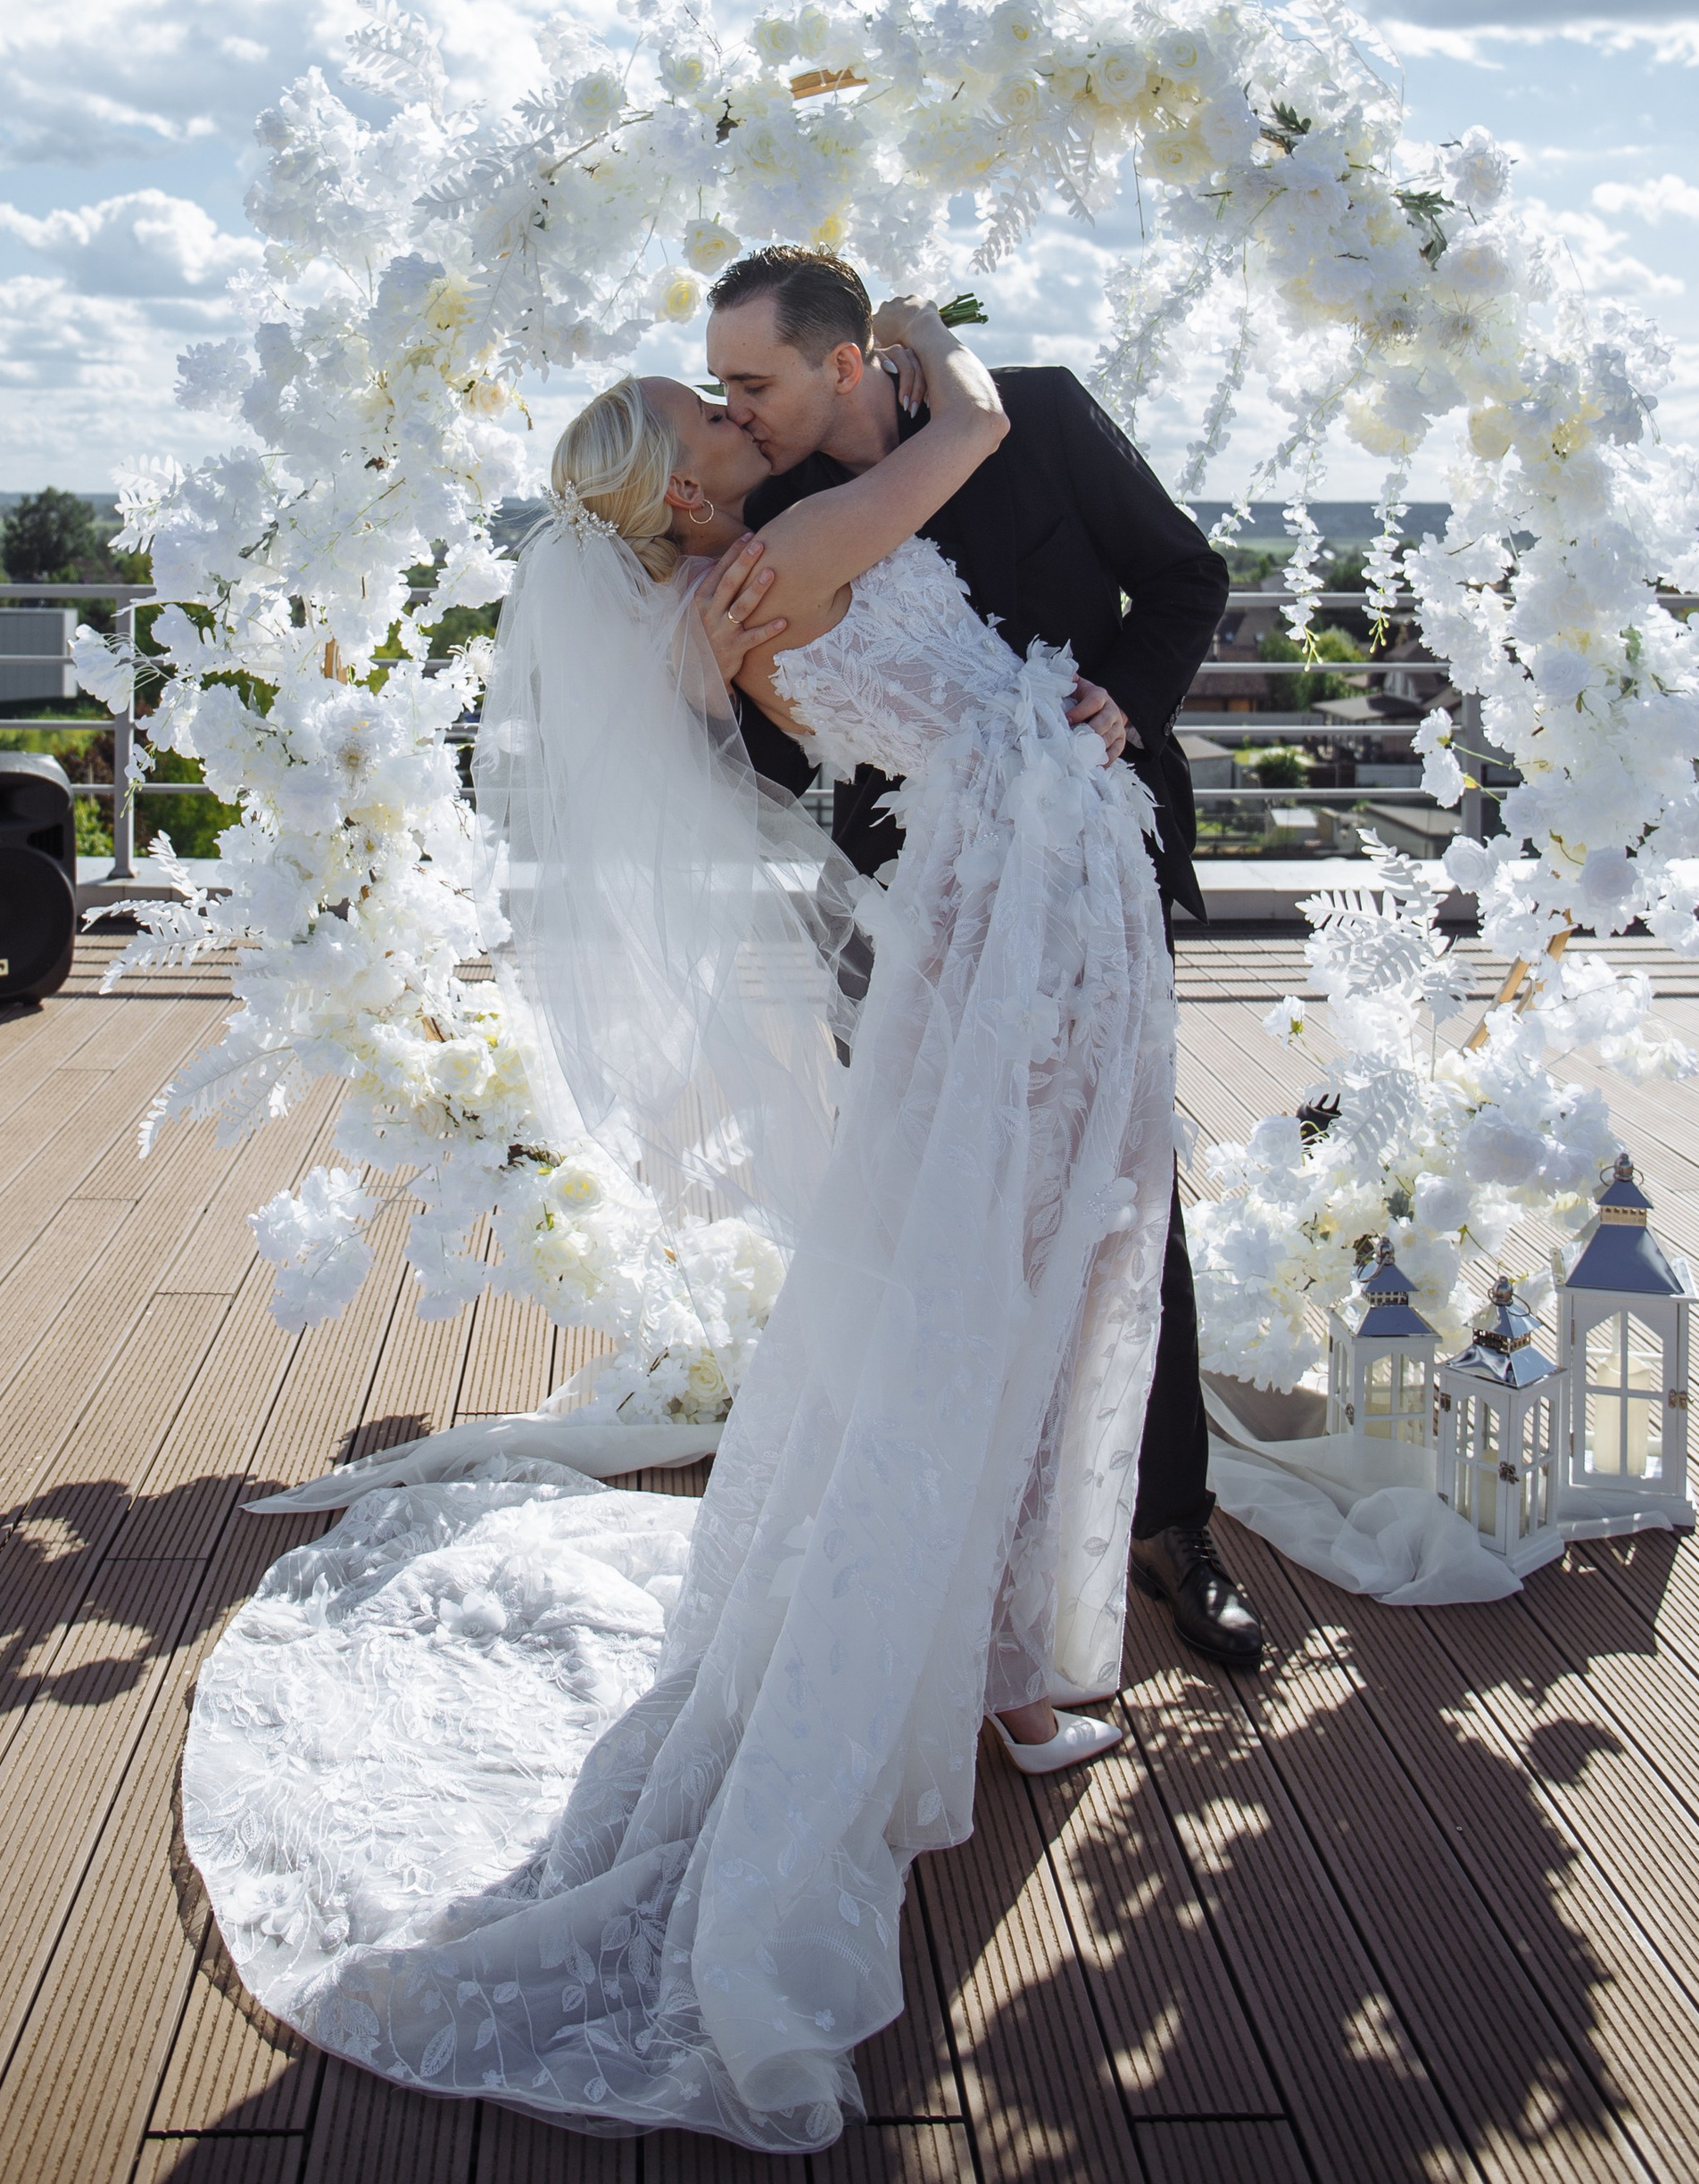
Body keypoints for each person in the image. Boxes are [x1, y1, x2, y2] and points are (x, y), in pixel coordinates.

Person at [183, 306, 1177, 2153]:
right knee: (1024, 1283)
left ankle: (1005, 1657)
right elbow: (955, 432)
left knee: (995, 1285)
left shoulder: (726, 601)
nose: (728, 412)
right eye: (698, 410)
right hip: (1022, 921)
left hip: (1015, 905)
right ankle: (1009, 1673)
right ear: (684, 484)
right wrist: (923, 341)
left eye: (734, 388)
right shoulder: (795, 552)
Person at [708, 244, 1261, 1672]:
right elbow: (783, 747)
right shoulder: (770, 511)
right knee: (930, 1209)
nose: (739, 408)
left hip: (1097, 866)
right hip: (914, 907)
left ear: (844, 362)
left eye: (753, 379)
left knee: (1129, 1191)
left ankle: (1167, 1527)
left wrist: (1127, 705)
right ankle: (949, 1531)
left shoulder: (1046, 411)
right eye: (720, 388)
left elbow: (1186, 580)